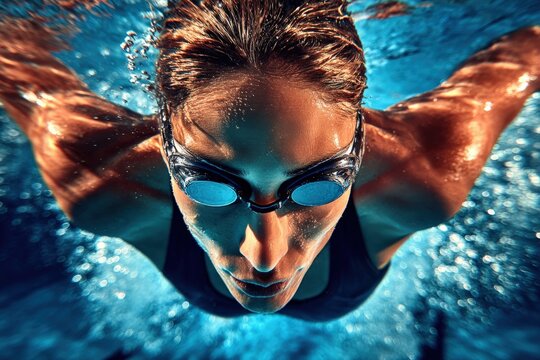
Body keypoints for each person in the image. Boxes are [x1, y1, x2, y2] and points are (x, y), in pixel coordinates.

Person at [0, 0, 538, 322]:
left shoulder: (421, 177)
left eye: (319, 185)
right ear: (164, 148)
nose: (264, 257)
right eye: (209, 186)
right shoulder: (100, 185)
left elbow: (522, 57)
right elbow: (15, 60)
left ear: (357, 152)